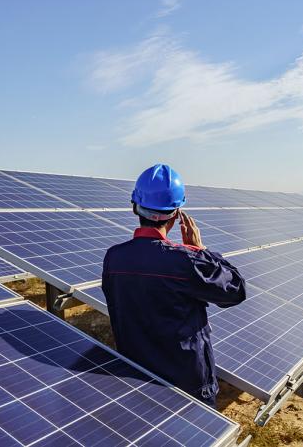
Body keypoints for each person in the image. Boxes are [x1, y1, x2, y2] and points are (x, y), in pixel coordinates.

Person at [102, 164, 246, 408]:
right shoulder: (186, 262)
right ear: (177, 213)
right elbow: (235, 290)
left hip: (137, 377)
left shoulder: (114, 258)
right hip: (187, 385)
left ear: (134, 206)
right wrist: (201, 251)